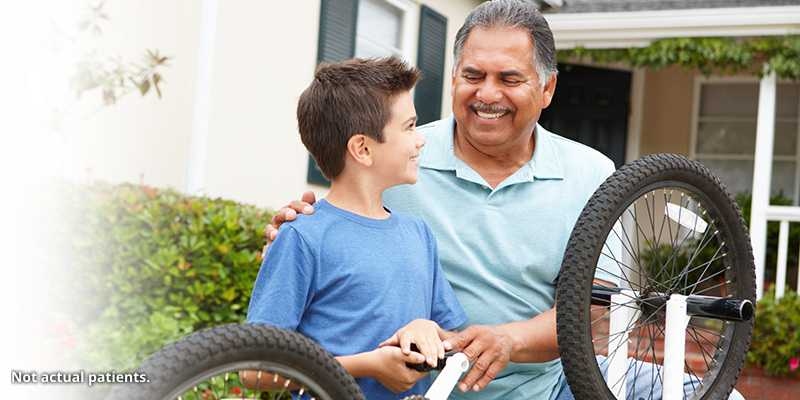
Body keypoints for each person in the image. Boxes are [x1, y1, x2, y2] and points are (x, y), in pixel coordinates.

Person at [263, 1, 745, 399]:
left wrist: (509, 339)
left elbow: (590, 308)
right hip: (432, 385)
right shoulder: (401, 157)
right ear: (453, 79)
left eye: (510, 79)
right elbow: (343, 221)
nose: (487, 94)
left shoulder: (593, 174)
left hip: (553, 381)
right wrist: (297, 226)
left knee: (723, 395)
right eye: (472, 75)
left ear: (548, 88)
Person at [246, 56, 467, 399]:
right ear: (363, 148)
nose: (420, 140)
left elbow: (451, 337)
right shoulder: (302, 237)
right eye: (409, 127)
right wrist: (367, 365)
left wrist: (427, 329)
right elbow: (253, 370)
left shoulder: (419, 234)